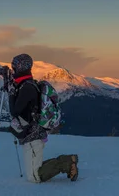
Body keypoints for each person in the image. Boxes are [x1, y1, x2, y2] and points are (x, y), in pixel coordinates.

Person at [7, 53, 79, 183]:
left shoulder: (27, 87)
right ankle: (67, 161)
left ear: (21, 67)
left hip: (33, 135)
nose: (13, 70)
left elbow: (15, 111)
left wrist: (11, 92)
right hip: (32, 133)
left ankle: (67, 162)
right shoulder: (26, 84)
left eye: (14, 67)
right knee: (35, 170)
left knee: (35, 177)